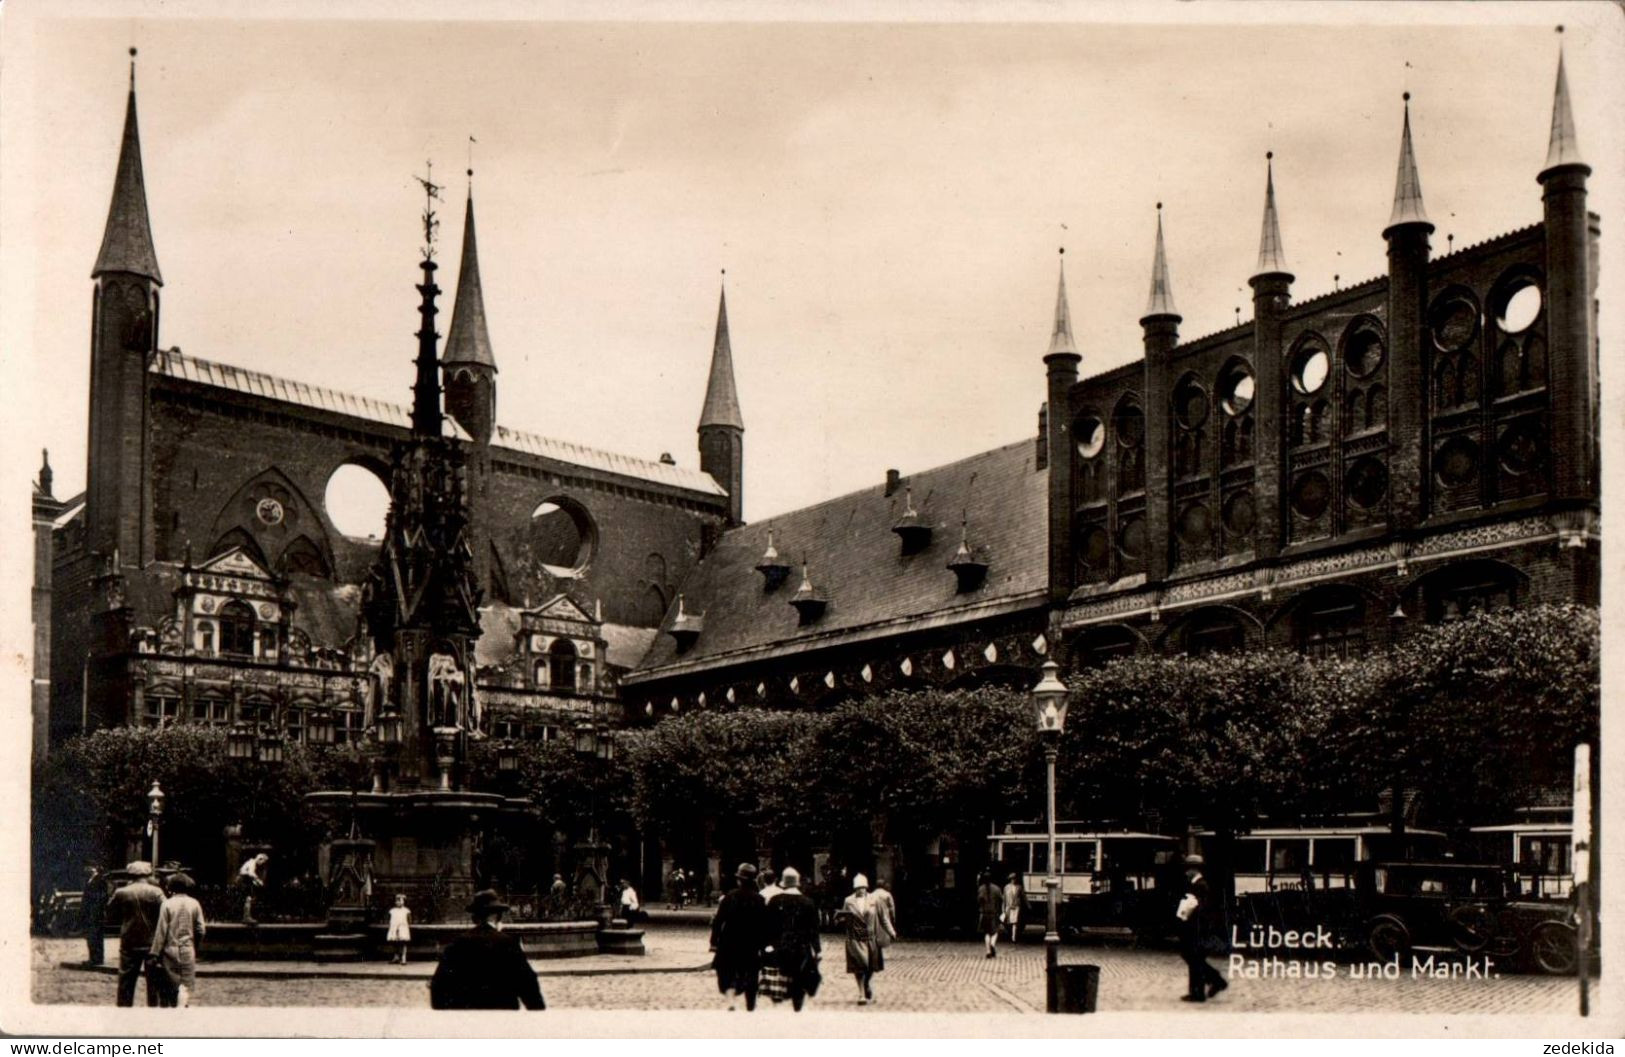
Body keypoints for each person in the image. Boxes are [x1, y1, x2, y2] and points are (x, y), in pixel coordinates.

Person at [429, 890, 545, 1010]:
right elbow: (528, 983)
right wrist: (536, 1010)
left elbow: (438, 987)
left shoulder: (457, 944)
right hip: (503, 1016)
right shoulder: (508, 943)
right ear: (498, 916)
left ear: (474, 918)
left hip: (467, 1019)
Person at [105, 861, 164, 1007]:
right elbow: (166, 913)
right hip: (152, 942)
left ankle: (124, 1013)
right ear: (147, 874)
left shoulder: (121, 892)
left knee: (126, 981)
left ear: (130, 874)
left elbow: (110, 914)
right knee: (154, 982)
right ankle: (154, 1012)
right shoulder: (156, 892)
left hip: (129, 941)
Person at [763, 866, 822, 1011]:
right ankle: (797, 1007)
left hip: (779, 947)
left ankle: (777, 1007)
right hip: (801, 948)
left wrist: (766, 945)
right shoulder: (808, 903)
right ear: (797, 883)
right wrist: (817, 950)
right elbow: (813, 930)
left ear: (783, 883)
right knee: (799, 981)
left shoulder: (775, 901)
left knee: (777, 980)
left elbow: (768, 926)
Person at [709, 863, 766, 1011]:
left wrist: (714, 942)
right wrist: (764, 944)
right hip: (751, 944)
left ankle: (730, 1000)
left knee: (726, 971)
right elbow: (765, 924)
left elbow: (718, 921)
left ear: (739, 880)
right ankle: (750, 1005)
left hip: (729, 942)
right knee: (751, 973)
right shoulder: (759, 899)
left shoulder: (730, 897)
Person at [149, 872, 206, 1008]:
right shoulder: (194, 903)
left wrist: (155, 953)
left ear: (171, 887)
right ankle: (182, 1009)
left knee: (171, 985)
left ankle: (173, 1010)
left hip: (170, 950)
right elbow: (201, 929)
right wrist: (195, 945)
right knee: (185, 985)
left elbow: (161, 931)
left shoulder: (167, 904)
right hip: (188, 948)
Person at [1176, 861, 1227, 1003]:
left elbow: (1201, 908)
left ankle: (1205, 988)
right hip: (1197, 927)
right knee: (1194, 957)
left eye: (1187, 870)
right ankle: (1209, 985)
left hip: (1198, 928)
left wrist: (1186, 913)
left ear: (1194, 870)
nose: (1186, 873)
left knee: (1193, 956)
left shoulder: (1200, 886)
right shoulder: (1198, 885)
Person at [836, 873, 883, 1005]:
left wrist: (890, 931)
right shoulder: (848, 901)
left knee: (871, 966)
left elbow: (881, 917)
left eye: (862, 887)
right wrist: (841, 918)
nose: (860, 890)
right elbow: (843, 916)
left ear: (866, 887)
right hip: (854, 937)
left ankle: (866, 983)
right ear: (854, 889)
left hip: (870, 936)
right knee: (859, 966)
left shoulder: (874, 900)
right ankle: (861, 994)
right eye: (858, 888)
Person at [80, 865, 108, 966]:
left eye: (89, 867)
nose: (86, 870)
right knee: (91, 937)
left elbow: (102, 897)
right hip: (90, 913)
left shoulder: (100, 880)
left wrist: (95, 910)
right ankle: (93, 957)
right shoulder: (90, 880)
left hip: (95, 914)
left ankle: (97, 958)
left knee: (95, 936)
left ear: (94, 868)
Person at [977, 870, 1005, 958]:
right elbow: (1001, 900)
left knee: (986, 933)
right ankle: (992, 944)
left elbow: (979, 901)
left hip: (984, 913)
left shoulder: (981, 888)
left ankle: (988, 951)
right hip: (994, 913)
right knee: (995, 931)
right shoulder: (996, 889)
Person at [237, 852, 269, 924]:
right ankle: (246, 917)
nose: (262, 864)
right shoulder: (252, 863)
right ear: (260, 859)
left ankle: (247, 916)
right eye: (263, 862)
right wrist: (258, 880)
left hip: (245, 880)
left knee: (249, 898)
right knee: (248, 898)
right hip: (243, 880)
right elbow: (251, 873)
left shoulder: (251, 862)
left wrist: (256, 882)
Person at [871, 877, 898, 950]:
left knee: (876, 930)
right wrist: (893, 916)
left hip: (875, 915)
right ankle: (884, 944)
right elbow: (892, 906)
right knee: (885, 929)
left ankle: (877, 943)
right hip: (885, 914)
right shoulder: (887, 894)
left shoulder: (872, 894)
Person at [387, 893, 413, 965]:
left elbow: (409, 920)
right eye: (397, 901)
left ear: (404, 901)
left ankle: (403, 957)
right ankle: (396, 957)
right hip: (394, 927)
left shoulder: (406, 911)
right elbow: (390, 919)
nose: (398, 902)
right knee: (395, 943)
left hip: (403, 927)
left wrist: (405, 926)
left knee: (403, 943)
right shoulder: (392, 911)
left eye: (400, 901)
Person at [1002, 872, 1023, 943]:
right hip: (1008, 906)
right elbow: (1004, 898)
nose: (1013, 880)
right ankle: (1010, 934)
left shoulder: (1019, 887)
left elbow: (1023, 896)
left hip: (1016, 906)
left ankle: (1013, 937)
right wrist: (1003, 907)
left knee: (1015, 922)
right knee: (1008, 922)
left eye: (1014, 879)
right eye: (1012, 879)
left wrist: (1028, 905)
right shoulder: (1006, 887)